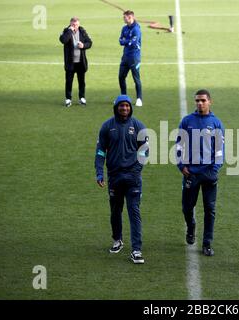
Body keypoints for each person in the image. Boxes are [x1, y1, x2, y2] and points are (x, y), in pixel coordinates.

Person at [94, 95, 149, 264]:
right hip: (115, 177)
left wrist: (138, 168)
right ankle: (117, 240)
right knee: (115, 211)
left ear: (130, 107)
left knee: (134, 212)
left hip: (133, 177)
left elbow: (145, 150)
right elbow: (100, 151)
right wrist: (99, 173)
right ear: (116, 107)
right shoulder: (107, 127)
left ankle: (136, 250)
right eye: (121, 106)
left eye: (126, 106)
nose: (124, 108)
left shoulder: (138, 126)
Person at [176, 89, 224, 256]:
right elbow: (179, 145)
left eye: (203, 100)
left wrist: (215, 169)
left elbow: (219, 150)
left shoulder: (216, 123)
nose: (199, 103)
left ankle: (207, 243)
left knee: (210, 209)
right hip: (191, 173)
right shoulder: (187, 121)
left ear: (210, 101)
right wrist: (181, 166)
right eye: (197, 100)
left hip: (209, 173)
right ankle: (191, 226)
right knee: (187, 207)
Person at [59, 17, 92, 107]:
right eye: (73, 25)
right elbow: (63, 40)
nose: (75, 26)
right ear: (70, 24)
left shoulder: (82, 31)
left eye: (77, 24)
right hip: (70, 62)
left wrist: (83, 45)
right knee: (69, 81)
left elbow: (89, 43)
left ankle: (82, 97)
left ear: (79, 24)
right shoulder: (66, 31)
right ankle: (68, 99)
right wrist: (70, 31)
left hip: (81, 62)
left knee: (81, 81)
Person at [118, 11, 143, 107]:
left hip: (134, 58)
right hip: (125, 57)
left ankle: (139, 98)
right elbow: (120, 41)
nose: (123, 19)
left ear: (130, 17)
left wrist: (126, 41)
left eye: (124, 17)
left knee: (136, 78)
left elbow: (133, 43)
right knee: (121, 77)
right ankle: (123, 97)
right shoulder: (124, 28)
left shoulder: (136, 29)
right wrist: (127, 41)